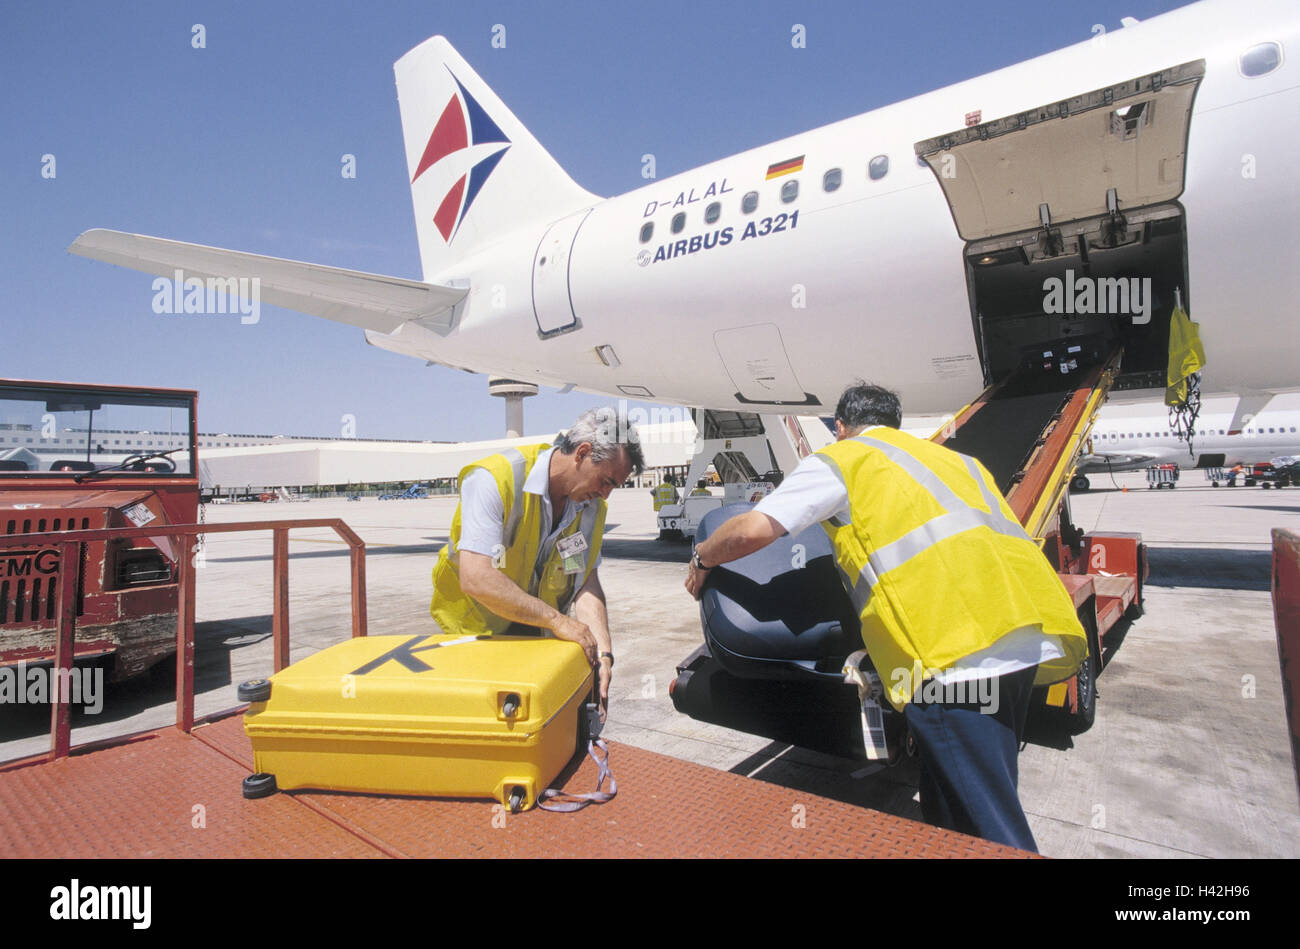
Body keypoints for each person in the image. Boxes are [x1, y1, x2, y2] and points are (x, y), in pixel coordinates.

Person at [684, 383, 1087, 852]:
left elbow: (754, 529)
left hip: (950, 659)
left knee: (990, 829)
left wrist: (702, 560)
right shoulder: (959, 462)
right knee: (952, 803)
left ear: (840, 427)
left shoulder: (845, 459)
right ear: (894, 422)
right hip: (1021, 639)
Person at [432, 407, 644, 718]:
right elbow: (476, 577)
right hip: (475, 637)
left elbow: (585, 582)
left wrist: (604, 652)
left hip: (536, 640)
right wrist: (559, 622)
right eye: (606, 481)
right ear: (582, 453)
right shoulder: (495, 479)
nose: (606, 495)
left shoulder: (591, 509)